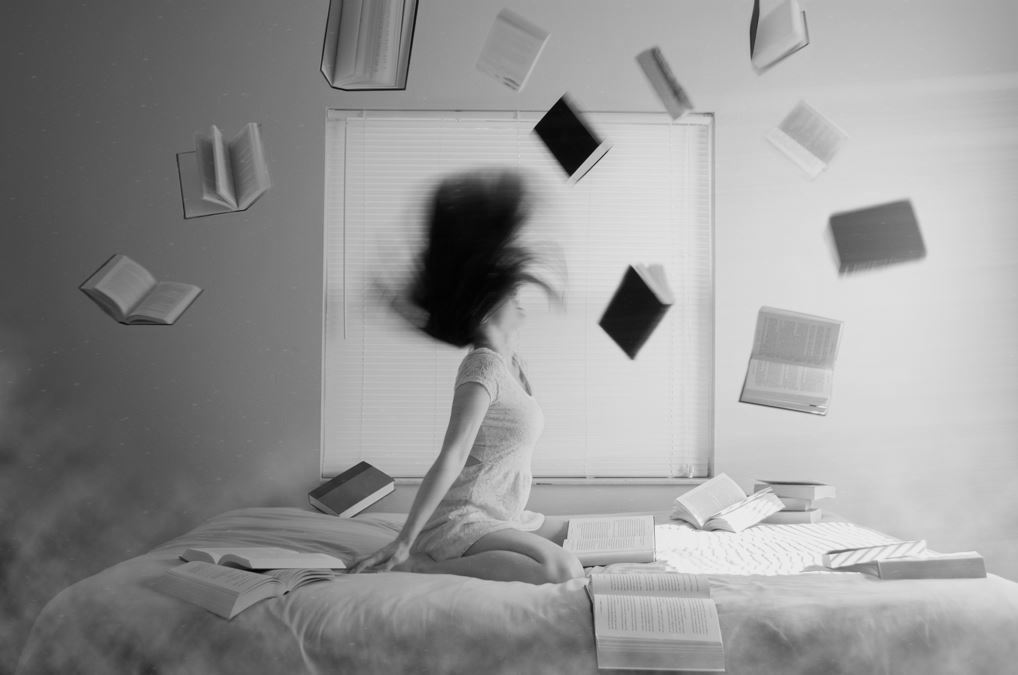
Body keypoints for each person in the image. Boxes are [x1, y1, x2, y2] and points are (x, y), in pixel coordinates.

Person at [350, 169, 584, 584]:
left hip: (502, 516)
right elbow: (452, 456)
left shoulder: (513, 364)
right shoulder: (483, 368)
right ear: (489, 303)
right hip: (465, 517)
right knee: (561, 569)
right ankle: (419, 563)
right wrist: (405, 539)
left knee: (583, 539)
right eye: (512, 292)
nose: (520, 299)